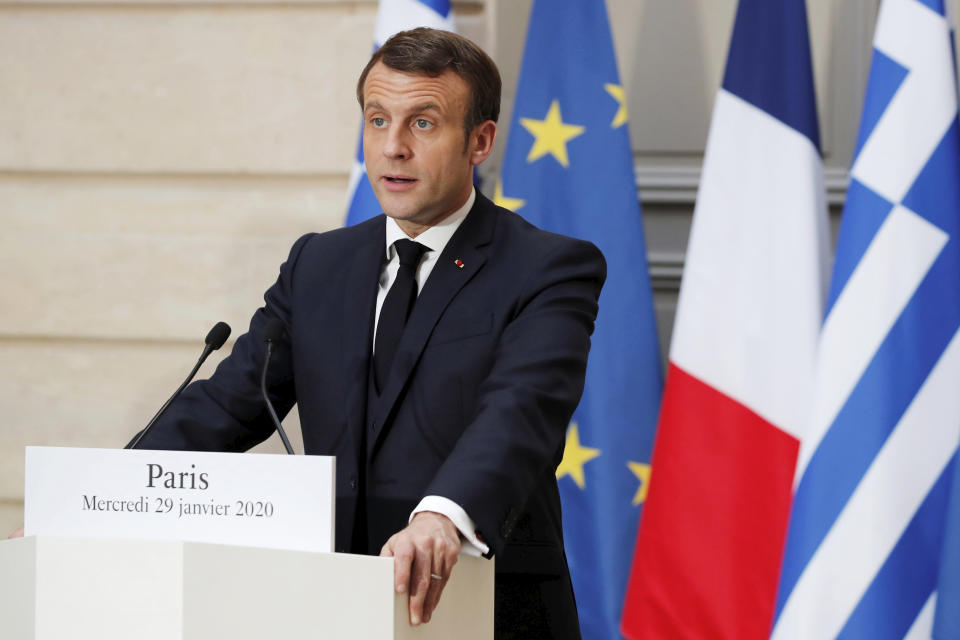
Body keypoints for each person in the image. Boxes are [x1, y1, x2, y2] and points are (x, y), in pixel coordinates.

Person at [15, 28, 606, 639]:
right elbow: (227, 406)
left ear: (479, 140)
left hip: (483, 605)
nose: (393, 148)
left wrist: (442, 517)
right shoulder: (320, 264)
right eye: (377, 121)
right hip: (330, 605)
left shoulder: (548, 266)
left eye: (423, 124)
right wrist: (92, 512)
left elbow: (520, 412)